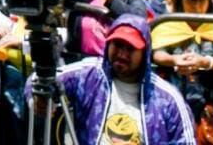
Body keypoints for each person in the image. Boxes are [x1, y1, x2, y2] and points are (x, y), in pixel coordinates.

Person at [49, 16, 195, 144]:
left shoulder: (169, 99)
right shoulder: (88, 75)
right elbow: (40, 80)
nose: (122, 54)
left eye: (130, 48)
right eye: (118, 45)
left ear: (144, 54)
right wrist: (39, 101)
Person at [149, 0, 213, 140]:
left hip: (210, 101)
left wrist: (205, 62)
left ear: (209, 3)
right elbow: (157, 53)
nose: (196, 6)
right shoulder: (167, 24)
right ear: (181, 1)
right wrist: (174, 60)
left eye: (201, 0)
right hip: (173, 99)